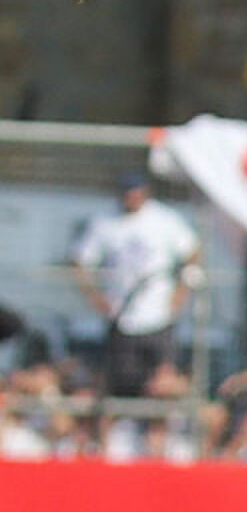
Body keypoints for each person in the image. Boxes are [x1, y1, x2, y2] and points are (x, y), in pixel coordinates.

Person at [73, 172, 200, 406]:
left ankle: (158, 439)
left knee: (163, 385)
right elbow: (80, 261)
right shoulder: (105, 222)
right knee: (121, 384)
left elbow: (192, 253)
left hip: (159, 317)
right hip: (122, 318)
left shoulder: (165, 219)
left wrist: (181, 294)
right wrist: (94, 296)